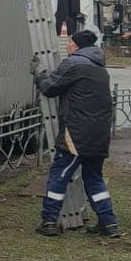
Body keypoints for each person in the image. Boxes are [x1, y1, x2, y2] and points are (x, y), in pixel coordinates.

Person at [32, 29, 120, 238]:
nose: (68, 45)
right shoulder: (100, 68)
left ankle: (49, 221)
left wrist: (39, 74)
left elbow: (50, 88)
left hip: (77, 133)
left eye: (70, 42)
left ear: (78, 46)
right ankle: (109, 224)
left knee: (60, 174)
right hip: (99, 134)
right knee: (94, 178)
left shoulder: (74, 64)